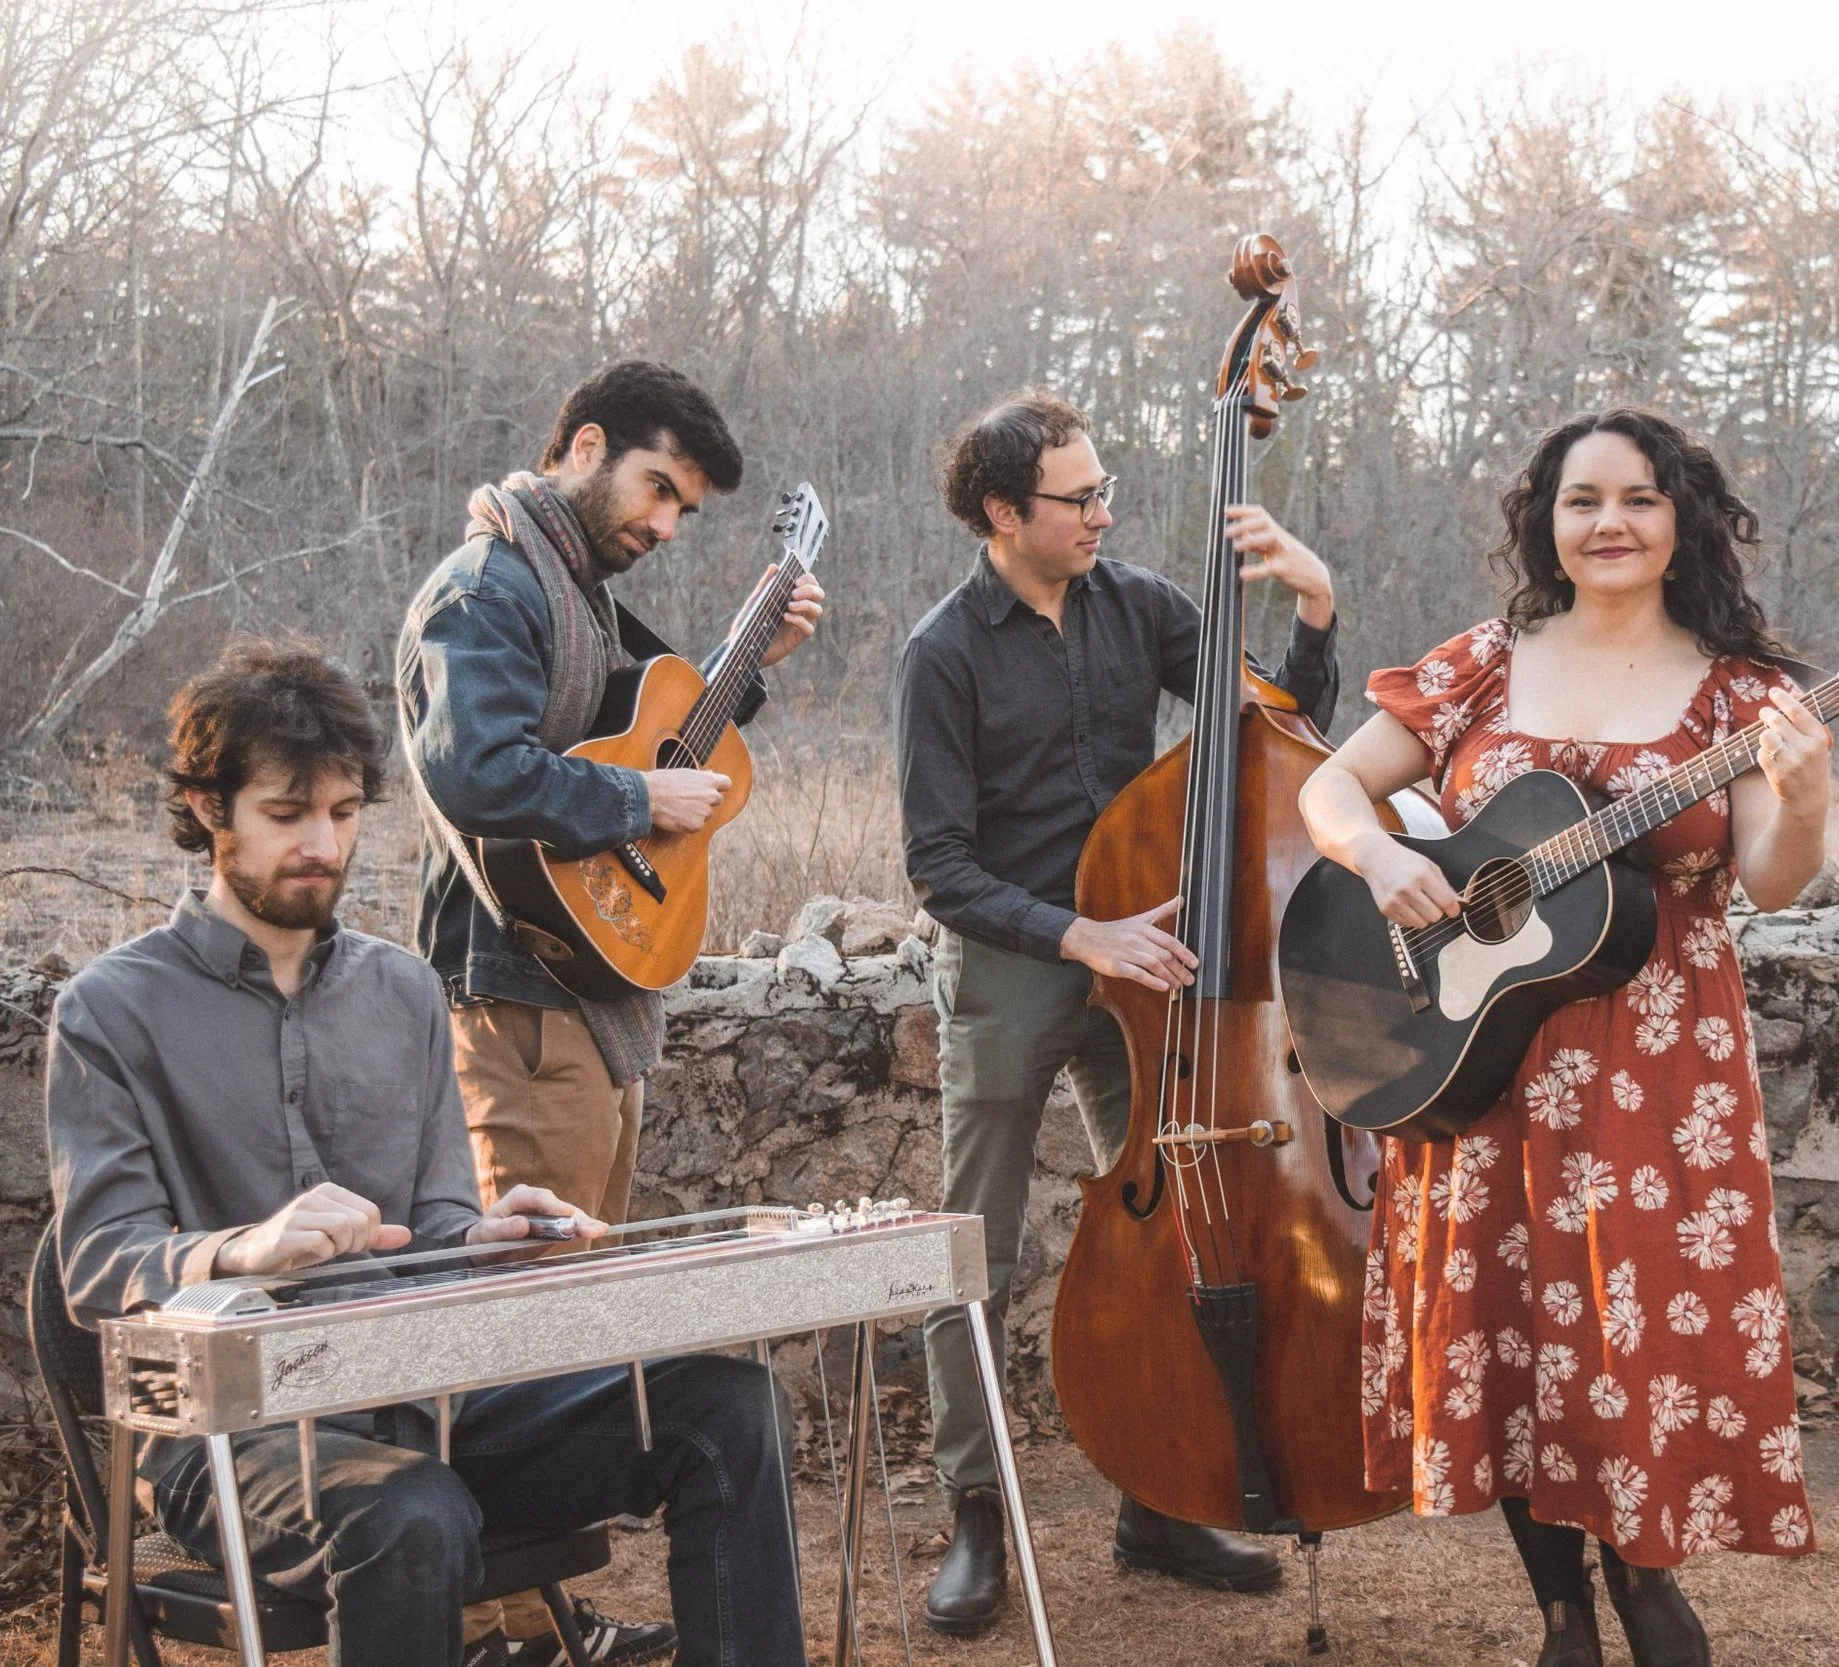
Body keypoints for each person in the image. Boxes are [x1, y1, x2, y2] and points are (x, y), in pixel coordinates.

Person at [45, 641, 807, 1667]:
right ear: (207, 806)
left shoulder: (403, 988)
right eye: (287, 813)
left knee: (726, 1405)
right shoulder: (108, 1009)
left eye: (346, 812)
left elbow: (439, 1224)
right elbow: (96, 1263)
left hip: (424, 1399)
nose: (323, 843)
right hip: (230, 1436)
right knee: (412, 1511)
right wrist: (241, 1248)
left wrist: (488, 1235)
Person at [1298, 408, 1830, 1667]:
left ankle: (1648, 1583)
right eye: (1582, 499)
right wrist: (1376, 853)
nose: (1609, 523)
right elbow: (1329, 785)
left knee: (1633, 1323)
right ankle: (1557, 1612)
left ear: (1681, 517)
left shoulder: (1741, 694)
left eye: (1639, 499)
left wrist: (1802, 797)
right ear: (1546, 518)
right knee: (1509, 1321)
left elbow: (1770, 878)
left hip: (1657, 1069)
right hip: (1477, 1049)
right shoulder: (1487, 659)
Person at [893, 390, 1340, 1635]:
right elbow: (938, 864)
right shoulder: (941, 653)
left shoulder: (1139, 603)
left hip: (1148, 960)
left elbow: (1280, 731)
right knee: (971, 1245)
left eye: (1105, 491)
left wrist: (1313, 607)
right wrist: (1076, 932)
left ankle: (1162, 1491)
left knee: (1185, 1221)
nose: (1101, 513)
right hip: (1015, 960)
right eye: (1076, 498)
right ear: (1001, 513)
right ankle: (978, 1510)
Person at [396, 361, 818, 1659]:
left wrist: (756, 665)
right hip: (518, 1003)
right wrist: (638, 810)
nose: (667, 524)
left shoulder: (570, 593)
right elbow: (477, 767)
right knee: (522, 1327)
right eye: (658, 489)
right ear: (583, 442)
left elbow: (645, 739)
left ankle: (531, 1610)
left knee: (564, 1311)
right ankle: (499, 1625)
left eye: (687, 509)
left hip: (591, 1000)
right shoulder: (487, 588)